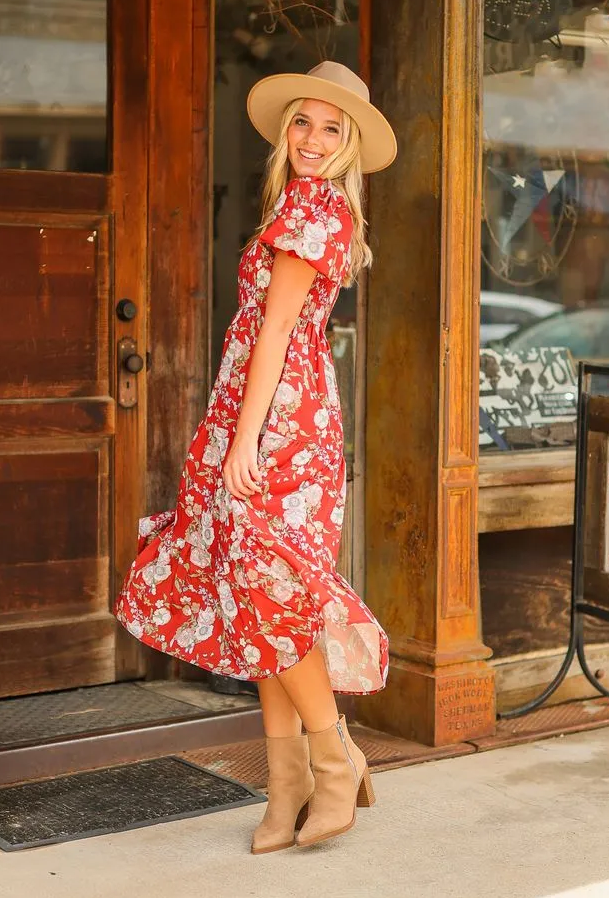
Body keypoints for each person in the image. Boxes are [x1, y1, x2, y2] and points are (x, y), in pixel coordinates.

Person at [113, 61, 397, 853]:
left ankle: (334, 762)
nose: (312, 138)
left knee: (273, 592)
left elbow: (273, 334)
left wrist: (243, 440)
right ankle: (287, 787)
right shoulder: (295, 203)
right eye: (302, 122)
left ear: (347, 146)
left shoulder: (316, 211)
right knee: (251, 596)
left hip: (278, 423)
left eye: (330, 128)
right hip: (259, 410)